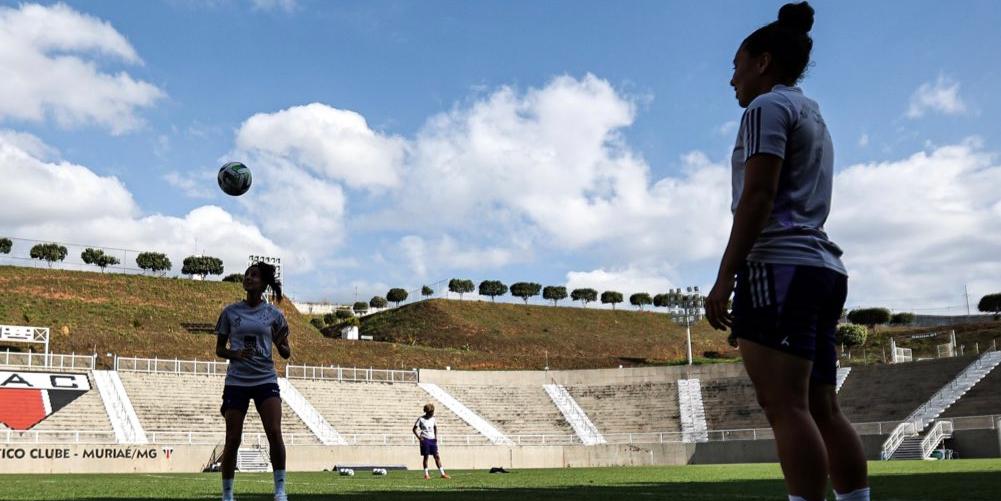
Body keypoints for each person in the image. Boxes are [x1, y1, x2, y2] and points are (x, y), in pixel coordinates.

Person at [704, 3, 870, 501]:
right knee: (823, 408)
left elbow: (758, 196)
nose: (730, 78)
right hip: (821, 268)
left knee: (785, 407)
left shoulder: (766, 108)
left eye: (736, 65)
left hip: (778, 266)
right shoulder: (813, 113)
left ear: (762, 62)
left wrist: (724, 277)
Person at [215, 262, 292, 501]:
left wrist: (280, 344)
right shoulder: (230, 312)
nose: (249, 278)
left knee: (274, 432)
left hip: (265, 378)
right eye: (247, 274)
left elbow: (286, 353)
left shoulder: (274, 315)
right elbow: (219, 349)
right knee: (233, 439)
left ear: (264, 283)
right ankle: (227, 495)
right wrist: (234, 354)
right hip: (237, 380)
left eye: (254, 275)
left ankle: (280, 490)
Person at [412, 403, 450, 480]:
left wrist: (435, 437)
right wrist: (419, 438)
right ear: (427, 412)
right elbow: (414, 429)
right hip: (425, 439)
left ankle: (442, 474)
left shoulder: (433, 419)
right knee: (426, 457)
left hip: (432, 440)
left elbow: (435, 427)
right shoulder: (421, 419)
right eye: (431, 412)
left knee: (437, 456)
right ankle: (426, 475)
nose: (433, 413)